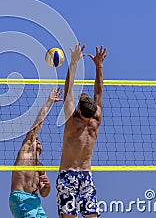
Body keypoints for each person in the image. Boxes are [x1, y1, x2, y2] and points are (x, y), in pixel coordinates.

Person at [56, 44, 108, 218]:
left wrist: (73, 63)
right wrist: (99, 66)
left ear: (78, 109)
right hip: (86, 174)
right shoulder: (96, 119)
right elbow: (98, 92)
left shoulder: (72, 120)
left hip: (68, 175)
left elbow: (68, 90)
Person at [10, 87, 63, 218]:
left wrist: (47, 187)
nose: (38, 142)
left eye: (40, 142)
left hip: (35, 202)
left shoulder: (40, 167)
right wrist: (49, 102)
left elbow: (44, 193)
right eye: (36, 140)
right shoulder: (25, 153)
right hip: (21, 198)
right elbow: (36, 127)